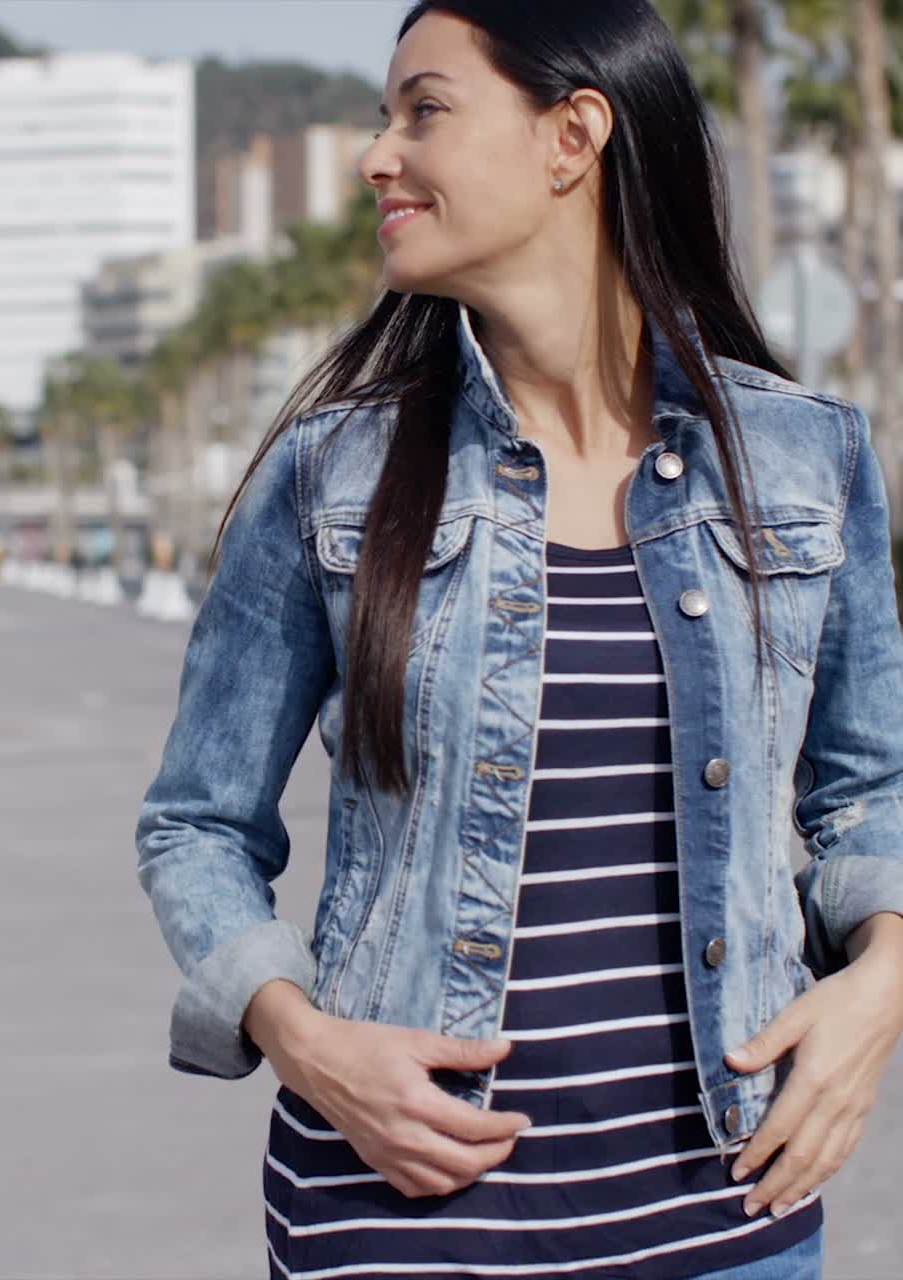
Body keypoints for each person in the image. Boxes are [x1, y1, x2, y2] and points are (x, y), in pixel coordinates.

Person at [134, 2, 903, 1277]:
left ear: (572, 134)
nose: (379, 155)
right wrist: (306, 1042)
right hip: (397, 1224)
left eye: (421, 111)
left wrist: (877, 985)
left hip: (729, 1225)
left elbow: (869, 790)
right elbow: (196, 821)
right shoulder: (333, 475)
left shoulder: (801, 456)